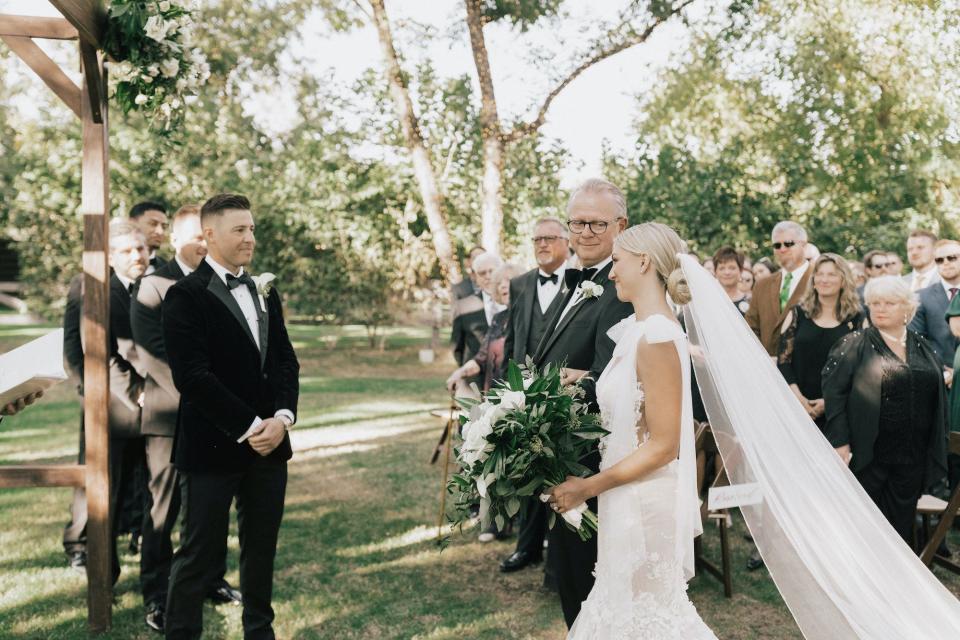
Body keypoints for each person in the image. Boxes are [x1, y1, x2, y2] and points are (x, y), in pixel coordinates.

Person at [547, 222, 715, 638]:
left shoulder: (657, 335)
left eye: (617, 261)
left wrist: (587, 488)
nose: (611, 272)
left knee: (646, 617)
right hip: (625, 494)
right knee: (622, 613)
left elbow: (663, 445)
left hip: (645, 500)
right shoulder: (636, 330)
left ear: (643, 262)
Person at [162, 194, 300, 639]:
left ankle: (260, 633)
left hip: (270, 446)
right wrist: (249, 426)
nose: (250, 238)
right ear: (209, 235)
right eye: (239, 229)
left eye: (252, 229)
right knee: (198, 554)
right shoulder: (184, 295)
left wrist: (282, 418)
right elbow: (192, 377)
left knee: (261, 551)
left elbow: (284, 362)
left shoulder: (265, 289)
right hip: (212, 446)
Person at [130, 205, 241, 632]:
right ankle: (157, 594)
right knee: (163, 509)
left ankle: (211, 578)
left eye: (208, 235)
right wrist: (210, 401)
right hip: (169, 417)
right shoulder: (154, 287)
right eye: (196, 236)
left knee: (210, 508)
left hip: (218, 419)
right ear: (177, 239)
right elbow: (154, 356)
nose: (204, 243)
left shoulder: (221, 283)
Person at [532, 178, 633, 628]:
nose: (586, 231)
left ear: (621, 225)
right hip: (559, 457)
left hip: (590, 464)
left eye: (598, 223)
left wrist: (568, 387)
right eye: (578, 222)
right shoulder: (577, 280)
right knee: (571, 587)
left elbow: (615, 381)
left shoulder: (622, 288)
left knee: (589, 591)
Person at [822, 276, 948, 544]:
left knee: (899, 526)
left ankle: (893, 581)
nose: (879, 308)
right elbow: (835, 394)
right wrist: (840, 442)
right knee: (863, 523)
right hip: (868, 454)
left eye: (889, 303)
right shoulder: (854, 343)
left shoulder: (922, 346)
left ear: (907, 308)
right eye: (874, 303)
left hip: (912, 455)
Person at [62, 220, 150, 581]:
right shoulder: (94, 288)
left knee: (129, 486)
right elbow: (93, 351)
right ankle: (95, 564)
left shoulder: (140, 287)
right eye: (128, 250)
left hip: (136, 409)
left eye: (141, 248)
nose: (138, 255)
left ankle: (115, 554)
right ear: (110, 255)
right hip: (108, 404)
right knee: (100, 491)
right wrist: (135, 394)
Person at [499, 217, 571, 574]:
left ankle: (561, 556)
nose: (542, 244)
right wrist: (505, 389)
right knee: (529, 470)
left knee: (563, 471)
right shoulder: (520, 284)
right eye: (537, 239)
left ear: (565, 241)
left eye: (549, 238)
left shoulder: (580, 281)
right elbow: (513, 339)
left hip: (568, 393)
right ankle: (527, 548)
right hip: (525, 393)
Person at [778, 254, 864, 432]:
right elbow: (784, 362)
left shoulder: (857, 319)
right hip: (796, 406)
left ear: (843, 280)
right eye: (820, 274)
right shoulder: (797, 314)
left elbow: (862, 368)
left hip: (839, 411)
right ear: (814, 280)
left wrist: (829, 402)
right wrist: (800, 400)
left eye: (832, 274)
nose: (824, 279)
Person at [445, 262, 523, 395]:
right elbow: (481, 358)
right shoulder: (498, 319)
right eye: (498, 283)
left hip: (521, 396)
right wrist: (459, 373)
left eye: (508, 281)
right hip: (493, 396)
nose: (502, 286)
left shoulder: (530, 318)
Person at [745, 221, 812, 356]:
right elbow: (751, 327)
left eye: (788, 243)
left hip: (805, 369)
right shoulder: (762, 285)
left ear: (803, 245)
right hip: (766, 368)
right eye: (777, 245)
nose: (782, 249)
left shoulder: (819, 280)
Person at [450, 252, 502, 389]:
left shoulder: (515, 303)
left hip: (508, 381)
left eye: (492, 271)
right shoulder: (463, 307)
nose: (488, 276)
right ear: (475, 277)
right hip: (474, 383)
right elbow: (457, 346)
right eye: (482, 273)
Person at [909, 239, 960, 369]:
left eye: (952, 258)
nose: (946, 263)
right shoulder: (920, 297)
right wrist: (944, 372)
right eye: (939, 260)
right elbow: (916, 342)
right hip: (939, 378)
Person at [130, 201, 170, 274]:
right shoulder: (107, 266)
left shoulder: (169, 269)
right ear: (132, 223)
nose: (160, 231)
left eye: (164, 227)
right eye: (153, 224)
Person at [712, 246, 749, 316]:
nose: (727, 272)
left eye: (732, 268)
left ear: (740, 270)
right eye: (722, 268)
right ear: (715, 272)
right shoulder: (710, 301)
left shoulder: (750, 301)